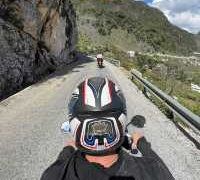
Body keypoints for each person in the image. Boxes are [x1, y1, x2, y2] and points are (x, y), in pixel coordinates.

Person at [41, 77, 174, 180]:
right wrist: (142, 143)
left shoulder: (54, 174)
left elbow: (61, 161)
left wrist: (68, 148)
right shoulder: (151, 171)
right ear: (121, 119)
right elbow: (158, 165)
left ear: (75, 123)